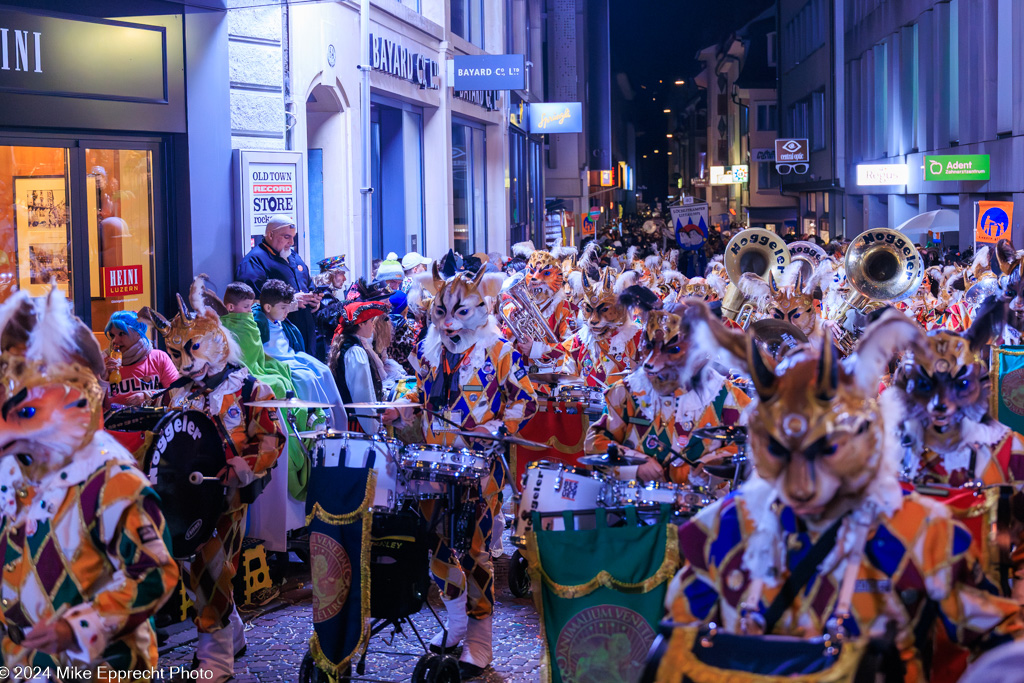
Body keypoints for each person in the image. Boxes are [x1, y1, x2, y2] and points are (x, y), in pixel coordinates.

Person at [661, 308, 1023, 683]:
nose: (801, 485)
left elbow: (1001, 639)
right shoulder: (724, 528)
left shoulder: (922, 531)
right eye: (781, 451)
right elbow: (681, 647)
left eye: (826, 451)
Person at [0, 289, 179, 676]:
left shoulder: (112, 480)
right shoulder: (12, 473)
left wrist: (80, 626)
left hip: (102, 666)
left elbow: (154, 571)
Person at [140, 277, 287, 683]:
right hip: (184, 496)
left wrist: (248, 464)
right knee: (195, 570)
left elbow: (273, 437)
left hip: (228, 496)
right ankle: (230, 632)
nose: (185, 363)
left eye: (192, 349)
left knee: (211, 565)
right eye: (176, 353)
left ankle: (215, 654)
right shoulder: (176, 391)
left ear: (217, 339)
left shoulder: (249, 387)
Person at [410, 264, 538, 678]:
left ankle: (480, 637)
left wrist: (496, 427)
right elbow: (421, 399)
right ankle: (457, 622)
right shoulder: (430, 354)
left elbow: (527, 401)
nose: (449, 323)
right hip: (435, 467)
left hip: (482, 470)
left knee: (475, 552)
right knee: (437, 550)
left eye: (460, 312)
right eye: (441, 313)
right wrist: (404, 407)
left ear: (483, 309)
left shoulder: (500, 352)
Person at [585, 300, 749, 484]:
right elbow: (595, 442)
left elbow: (757, 445)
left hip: (706, 508)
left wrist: (714, 463)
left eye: (673, 350)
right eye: (650, 347)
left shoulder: (726, 396)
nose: (653, 363)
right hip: (634, 507)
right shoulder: (626, 392)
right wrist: (634, 465)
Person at [221, 280, 322, 500]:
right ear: (231, 308)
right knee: (278, 383)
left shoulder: (251, 322)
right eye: (246, 307)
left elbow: (257, 354)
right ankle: (297, 425)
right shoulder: (233, 325)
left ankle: (309, 415)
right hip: (243, 375)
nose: (249, 310)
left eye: (250, 306)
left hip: (261, 365)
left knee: (294, 373)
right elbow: (245, 359)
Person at [254, 279, 346, 429]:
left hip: (292, 356)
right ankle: (315, 420)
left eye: (287, 307)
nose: (286, 312)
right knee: (306, 378)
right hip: (277, 360)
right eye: (283, 307)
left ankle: (336, 421)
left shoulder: (278, 320)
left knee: (324, 370)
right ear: (268, 307)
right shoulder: (259, 322)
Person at [235, 214, 322, 357]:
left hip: (305, 331)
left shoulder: (294, 256)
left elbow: (308, 285)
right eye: (287, 237)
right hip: (278, 337)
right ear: (270, 234)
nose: (292, 242)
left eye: (293, 237)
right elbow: (251, 305)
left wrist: (315, 300)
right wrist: (292, 303)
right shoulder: (254, 261)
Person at [328, 300, 399, 433]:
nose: (373, 326)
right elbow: (363, 397)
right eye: (371, 322)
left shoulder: (347, 346)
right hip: (357, 426)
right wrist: (374, 429)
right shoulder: (356, 352)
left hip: (350, 421)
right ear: (361, 323)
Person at [103, 310, 179, 406]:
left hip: (153, 420)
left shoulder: (158, 358)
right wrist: (103, 379)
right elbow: (89, 405)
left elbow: (178, 392)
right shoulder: (104, 362)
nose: (115, 340)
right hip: (113, 420)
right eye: (112, 335)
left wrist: (148, 396)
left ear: (138, 333)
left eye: (122, 334)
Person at [313, 254, 351, 356]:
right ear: (332, 274)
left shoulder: (325, 293)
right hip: (323, 347)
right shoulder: (324, 295)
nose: (345, 279)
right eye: (342, 274)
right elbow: (332, 320)